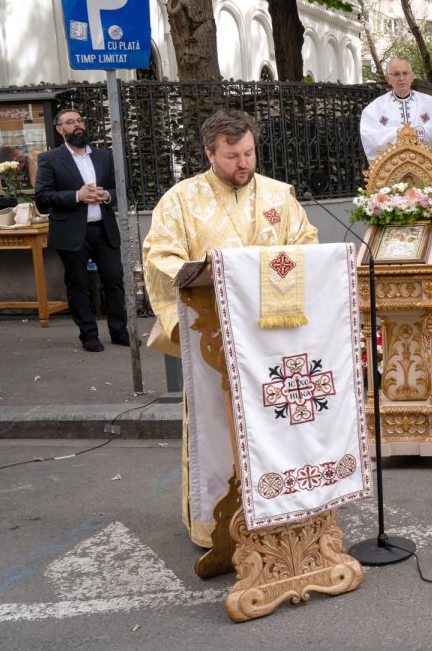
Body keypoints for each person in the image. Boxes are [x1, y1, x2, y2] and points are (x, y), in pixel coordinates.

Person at [142, 108, 318, 548]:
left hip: (274, 336)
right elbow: (160, 258)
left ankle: (281, 509)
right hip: (213, 338)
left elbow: (306, 249)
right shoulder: (181, 200)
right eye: (232, 156)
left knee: (278, 425)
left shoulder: (280, 197)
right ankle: (216, 524)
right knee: (217, 429)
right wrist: (207, 276)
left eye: (249, 153)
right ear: (209, 153)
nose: (244, 164)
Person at [34, 109, 127, 352]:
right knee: (78, 284)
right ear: (59, 129)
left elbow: (122, 189)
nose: (77, 125)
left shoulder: (103, 157)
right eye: (70, 122)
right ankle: (88, 335)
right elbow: (42, 199)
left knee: (115, 280)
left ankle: (119, 331)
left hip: (104, 230)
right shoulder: (50, 159)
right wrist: (77, 195)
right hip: (72, 234)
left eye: (79, 121)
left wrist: (107, 195)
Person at [360, 57, 432, 158]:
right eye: (396, 74)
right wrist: (399, 134)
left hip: (425, 166)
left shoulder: (431, 104)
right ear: (388, 79)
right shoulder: (374, 109)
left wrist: (416, 133)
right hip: (392, 168)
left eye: (405, 73)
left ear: (412, 76)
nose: (402, 78)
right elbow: (370, 136)